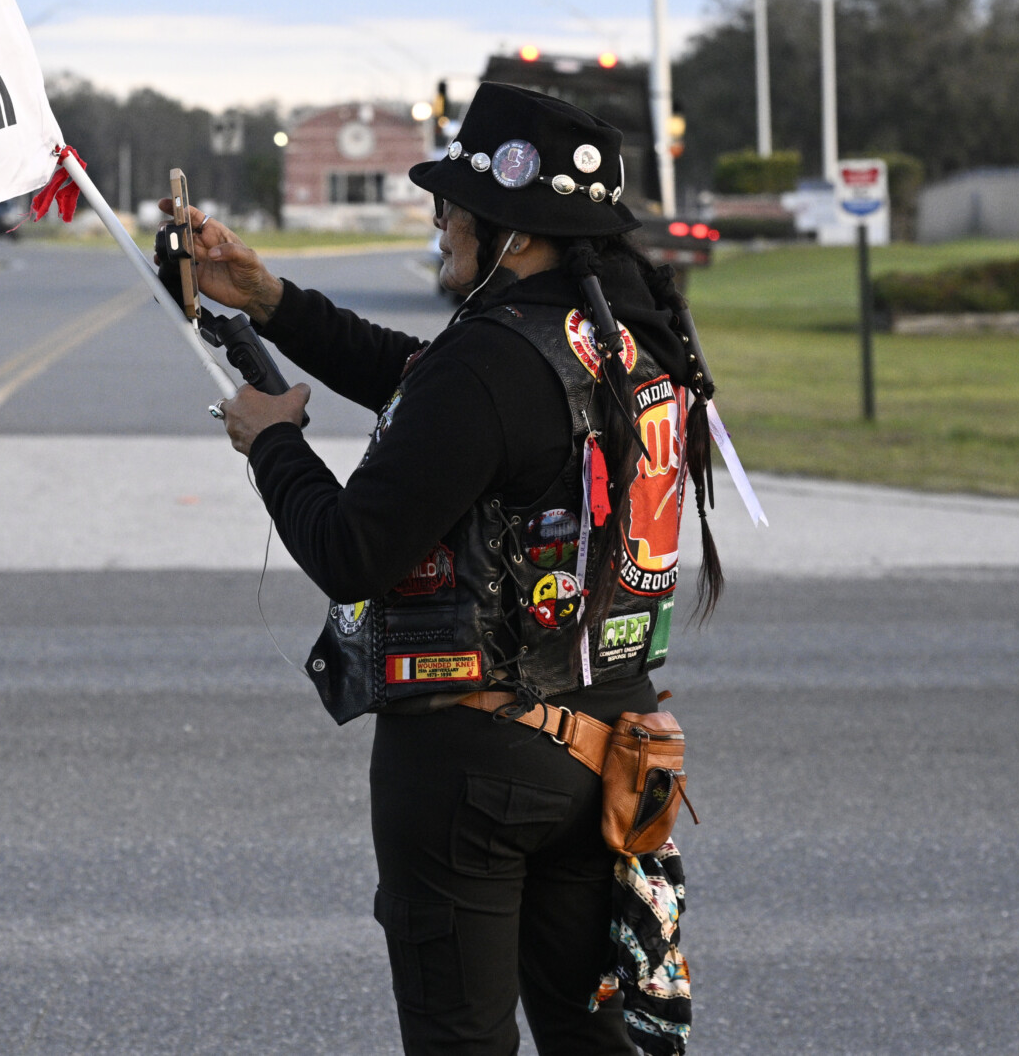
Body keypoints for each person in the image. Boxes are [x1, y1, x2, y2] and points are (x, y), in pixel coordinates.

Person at [176, 83, 721, 1056]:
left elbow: (352, 551)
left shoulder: (486, 366)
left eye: (448, 208)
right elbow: (420, 383)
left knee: (457, 1039)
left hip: (474, 760)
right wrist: (266, 299)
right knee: (588, 1038)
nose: (438, 226)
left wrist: (273, 442)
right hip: (609, 744)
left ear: (501, 229)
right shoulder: (619, 342)